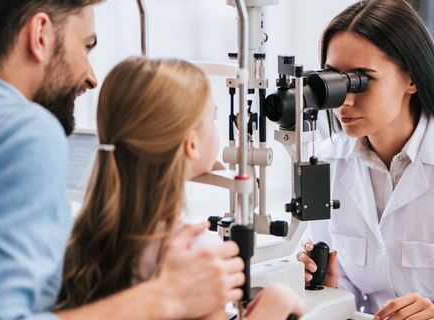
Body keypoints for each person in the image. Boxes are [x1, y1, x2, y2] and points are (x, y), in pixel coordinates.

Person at [0, 1, 245, 319]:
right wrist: (165, 298)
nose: (92, 77)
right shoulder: (23, 132)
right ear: (40, 35)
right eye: (86, 45)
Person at [56, 56, 306, 319]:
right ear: (192, 144)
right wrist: (277, 303)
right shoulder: (196, 255)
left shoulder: (74, 237)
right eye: (214, 118)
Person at [297, 0, 434, 319]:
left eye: (360, 80)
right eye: (334, 80)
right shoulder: (324, 162)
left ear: (411, 79)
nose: (345, 99)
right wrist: (329, 287)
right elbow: (348, 289)